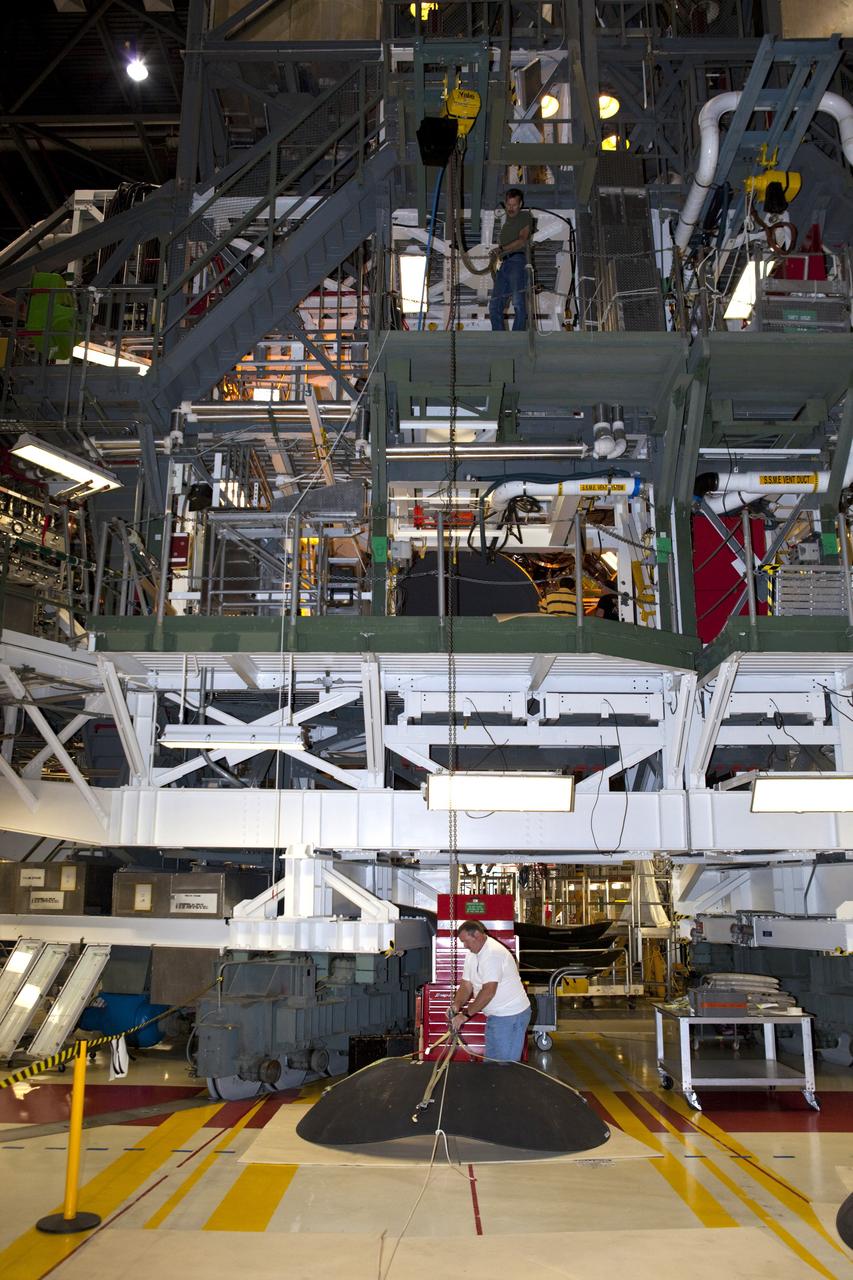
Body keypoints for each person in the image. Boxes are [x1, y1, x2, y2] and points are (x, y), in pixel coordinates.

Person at [449, 920, 531, 1061]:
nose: (465, 946)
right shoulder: (473, 954)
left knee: (505, 1065)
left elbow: (488, 991)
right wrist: (456, 1004)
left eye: (466, 941)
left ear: (477, 935)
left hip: (510, 1015)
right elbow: (466, 984)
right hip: (496, 1016)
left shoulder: (492, 953)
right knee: (492, 1064)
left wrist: (464, 1015)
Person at [489, 188, 533, 331]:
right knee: (494, 305)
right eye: (508, 205)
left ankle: (517, 337)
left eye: (514, 205)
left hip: (517, 261)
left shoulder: (525, 217)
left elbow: (522, 240)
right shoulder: (506, 221)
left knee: (518, 302)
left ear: (520, 205)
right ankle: (500, 340)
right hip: (504, 264)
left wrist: (501, 249)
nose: (511, 208)